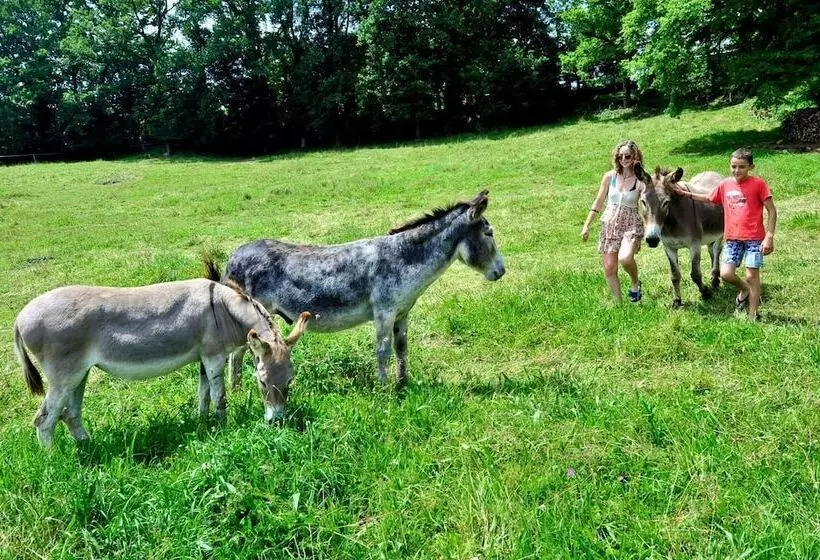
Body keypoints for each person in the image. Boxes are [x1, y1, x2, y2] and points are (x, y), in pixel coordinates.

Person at [672, 148, 777, 320]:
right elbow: (709, 198)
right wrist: (686, 194)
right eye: (733, 166)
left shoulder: (759, 184)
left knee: (752, 275)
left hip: (754, 238)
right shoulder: (725, 184)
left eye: (742, 167)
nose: (737, 170)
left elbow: (772, 211)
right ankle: (745, 289)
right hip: (732, 239)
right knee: (726, 274)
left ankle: (752, 314)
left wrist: (769, 236)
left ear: (751, 166)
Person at [581, 140, 646, 302]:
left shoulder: (641, 181)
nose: (623, 159)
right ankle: (619, 305)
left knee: (625, 258)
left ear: (635, 156)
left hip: (631, 224)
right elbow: (598, 202)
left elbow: (648, 204)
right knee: (609, 268)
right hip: (610, 226)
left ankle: (635, 282)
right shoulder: (609, 177)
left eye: (627, 156)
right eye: (620, 156)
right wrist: (586, 225)